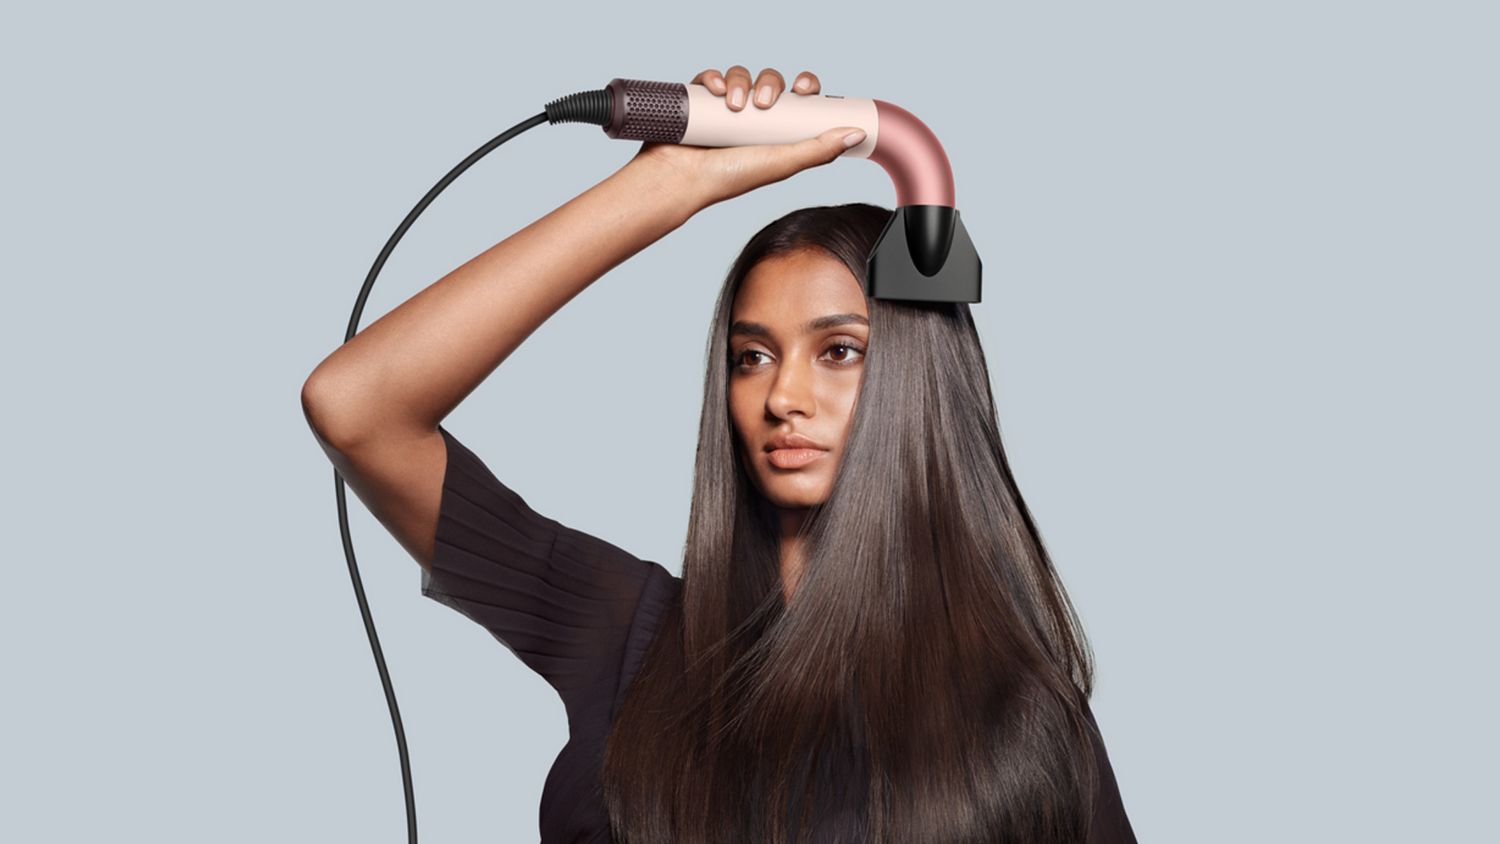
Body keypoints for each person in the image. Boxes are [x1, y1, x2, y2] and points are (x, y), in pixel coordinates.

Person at [303, 65, 1138, 844]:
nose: (783, 397)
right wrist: (665, 187)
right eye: (753, 356)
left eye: (839, 351)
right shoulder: (628, 635)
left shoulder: (1023, 717)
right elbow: (357, 407)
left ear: (919, 380)